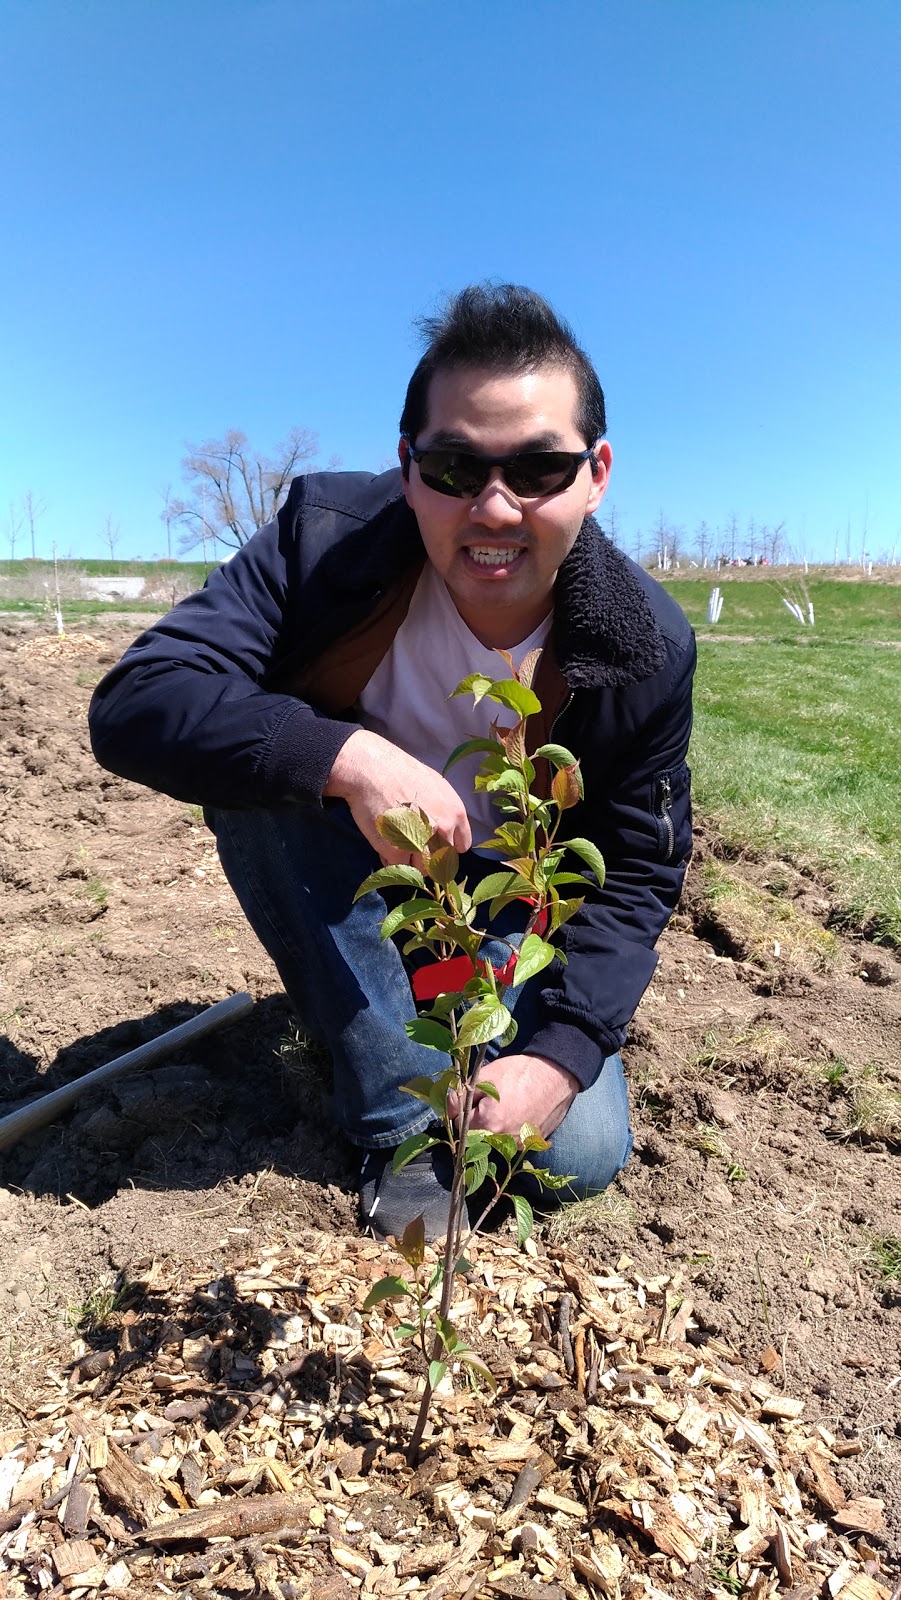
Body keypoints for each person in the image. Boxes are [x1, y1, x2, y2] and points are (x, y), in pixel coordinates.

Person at [89, 284, 695, 1240]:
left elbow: (639, 865)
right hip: (351, 867)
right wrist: (340, 752)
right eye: (455, 466)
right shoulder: (322, 541)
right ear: (406, 465)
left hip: (506, 911)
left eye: (537, 468)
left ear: (596, 472)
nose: (494, 508)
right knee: (265, 766)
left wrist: (565, 1052)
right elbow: (138, 701)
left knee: (575, 1157)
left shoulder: (643, 647)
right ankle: (395, 1116)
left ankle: (414, 1004)